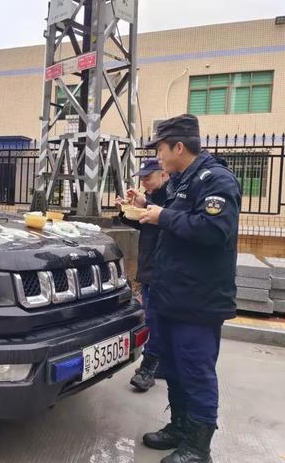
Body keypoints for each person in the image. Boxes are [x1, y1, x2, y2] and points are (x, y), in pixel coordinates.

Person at [138, 114, 241, 463]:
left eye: (161, 150)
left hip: (199, 301)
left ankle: (199, 448)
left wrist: (162, 216)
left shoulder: (216, 180)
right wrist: (143, 209)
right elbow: (170, 220)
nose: (159, 158)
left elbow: (214, 230)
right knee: (174, 367)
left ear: (178, 147)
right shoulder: (182, 182)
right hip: (173, 295)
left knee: (196, 371)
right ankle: (179, 428)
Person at [116, 158, 169, 392]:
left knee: (154, 320)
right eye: (143, 178)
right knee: (157, 319)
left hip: (161, 271)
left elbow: (167, 220)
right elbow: (144, 224)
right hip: (149, 270)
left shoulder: (171, 198)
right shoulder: (154, 199)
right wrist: (125, 212)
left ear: (163, 175)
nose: (144, 182)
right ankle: (162, 365)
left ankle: (147, 368)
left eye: (149, 177)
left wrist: (144, 202)